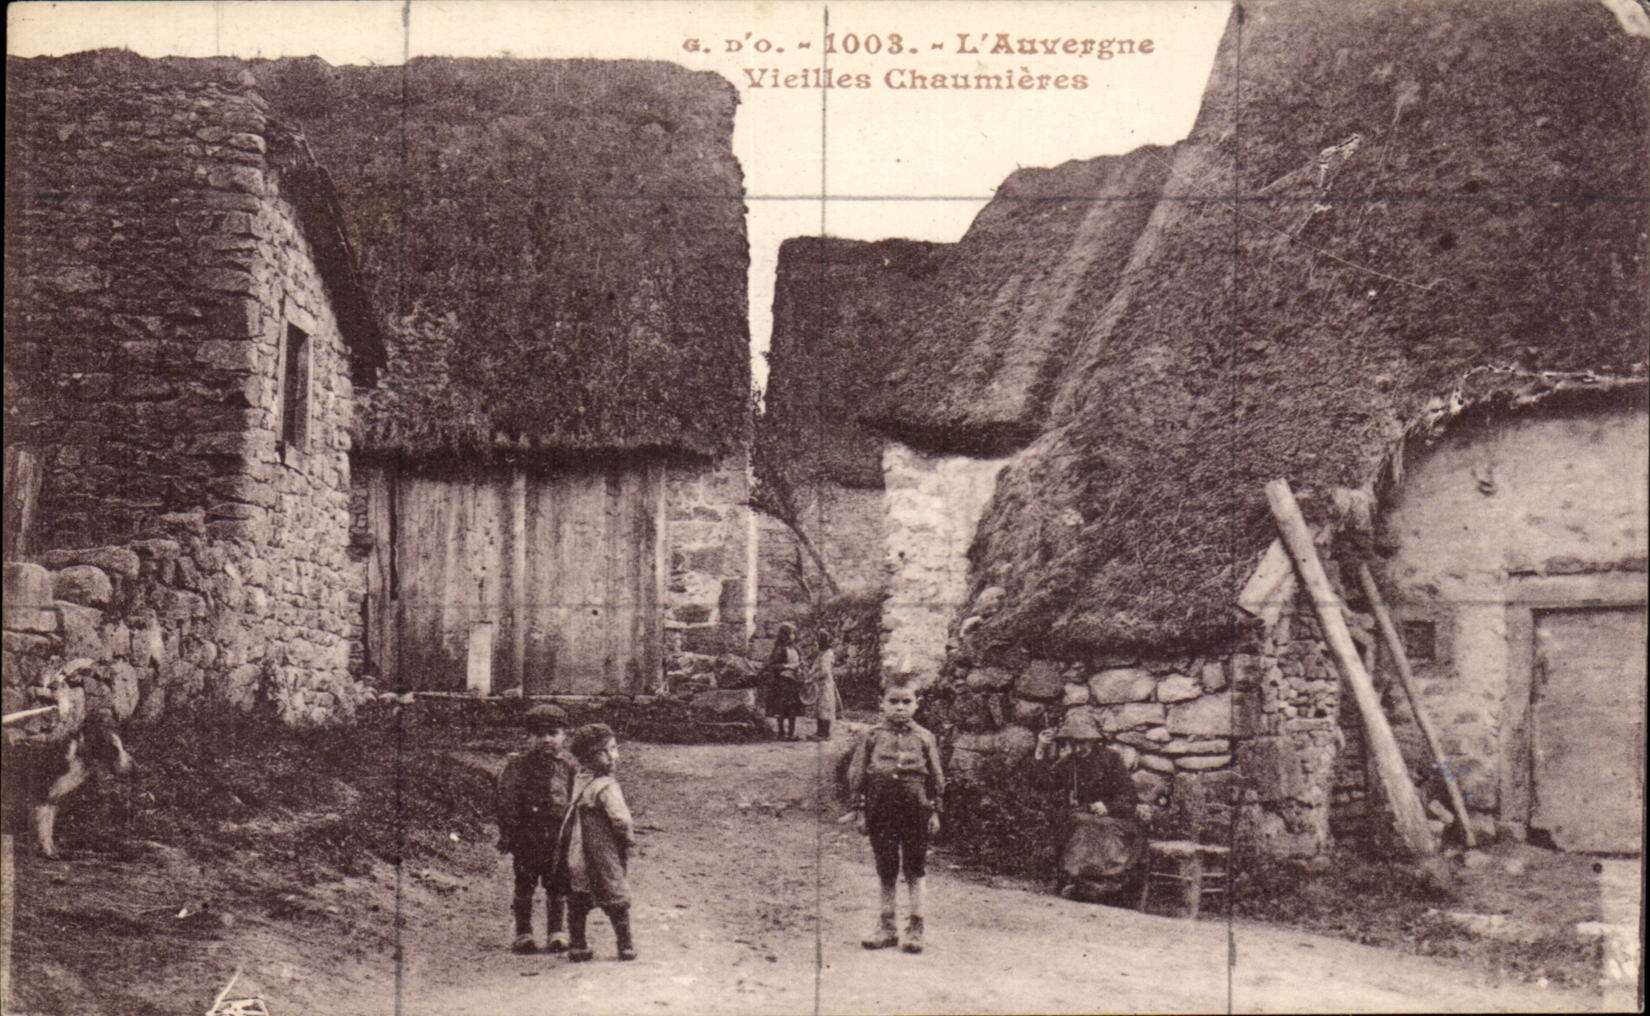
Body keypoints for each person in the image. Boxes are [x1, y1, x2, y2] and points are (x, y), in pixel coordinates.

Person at [846, 675, 945, 954]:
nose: (900, 707)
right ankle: (887, 926)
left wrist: (935, 811)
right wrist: (859, 810)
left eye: (906, 701)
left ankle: (916, 927)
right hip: (881, 809)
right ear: (882, 703)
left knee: (915, 867)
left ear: (917, 704)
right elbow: (858, 773)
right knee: (886, 867)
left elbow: (936, 776)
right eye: (893, 701)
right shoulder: (871, 736)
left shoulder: (925, 737)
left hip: (915, 809)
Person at [1032, 711, 1145, 903]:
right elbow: (1044, 783)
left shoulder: (1111, 759)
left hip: (1116, 817)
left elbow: (1129, 796)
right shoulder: (1069, 762)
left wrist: (1108, 807)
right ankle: (1081, 882)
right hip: (1083, 816)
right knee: (1077, 822)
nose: (1078, 748)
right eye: (1074, 743)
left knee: (1096, 828)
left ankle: (1104, 884)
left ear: (1094, 741)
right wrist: (1041, 749)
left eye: (1083, 742)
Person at [495, 704, 575, 954]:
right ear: (527, 737)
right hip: (527, 837)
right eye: (539, 734)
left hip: (557, 837)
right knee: (524, 884)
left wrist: (573, 833)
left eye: (553, 733)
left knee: (557, 885)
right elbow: (506, 800)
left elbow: (575, 800)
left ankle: (556, 932)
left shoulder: (568, 768)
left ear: (564, 736)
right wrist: (509, 832)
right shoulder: (517, 767)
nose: (546, 740)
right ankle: (523, 933)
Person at [558, 723, 637, 961]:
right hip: (601, 849)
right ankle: (625, 945)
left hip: (577, 847)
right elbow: (621, 818)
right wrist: (627, 839)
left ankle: (578, 945)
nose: (615, 756)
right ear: (591, 755)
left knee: (578, 892)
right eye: (609, 750)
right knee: (613, 889)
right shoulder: (607, 786)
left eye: (614, 749)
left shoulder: (579, 780)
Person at [763, 622, 804, 740]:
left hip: (794, 680)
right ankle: (781, 733)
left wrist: (800, 667)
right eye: (790, 633)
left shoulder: (795, 648)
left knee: (793, 708)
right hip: (783, 681)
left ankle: (791, 733)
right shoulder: (779, 649)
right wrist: (788, 666)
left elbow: (800, 661)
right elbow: (772, 666)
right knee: (781, 708)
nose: (793, 636)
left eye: (793, 633)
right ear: (785, 635)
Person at [802, 633, 842, 741]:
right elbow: (816, 667)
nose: (817, 643)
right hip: (819, 684)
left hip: (825, 684)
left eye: (819, 640)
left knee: (825, 707)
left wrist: (812, 678)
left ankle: (825, 733)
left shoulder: (828, 654)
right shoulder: (822, 653)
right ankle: (819, 732)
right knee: (820, 708)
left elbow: (824, 671)